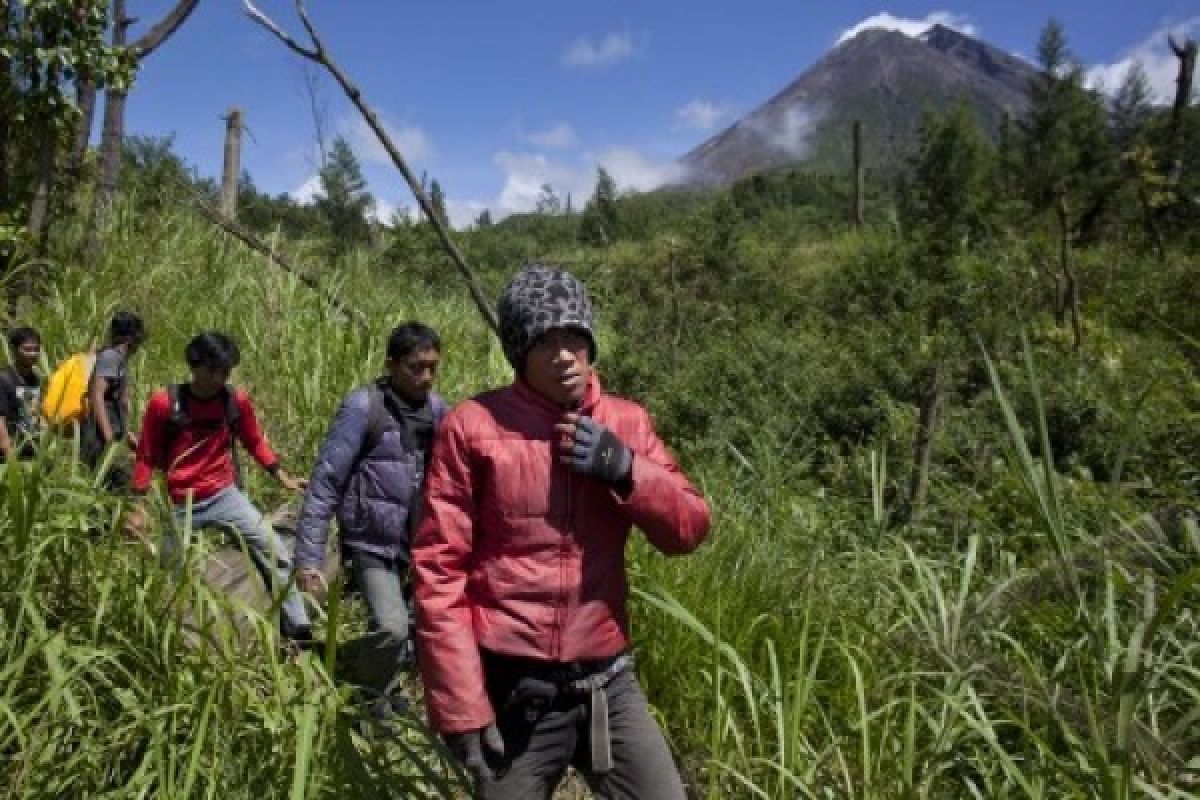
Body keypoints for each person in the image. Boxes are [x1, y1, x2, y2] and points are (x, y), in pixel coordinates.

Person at [412, 264, 711, 799]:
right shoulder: (473, 427)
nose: (565, 355)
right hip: (514, 690)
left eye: (575, 337)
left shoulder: (626, 423)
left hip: (607, 683)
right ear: (518, 352)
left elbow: (688, 529)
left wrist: (627, 470)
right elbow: (439, 569)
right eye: (545, 341)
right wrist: (460, 703)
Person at [293, 322, 447, 711]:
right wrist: (309, 559)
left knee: (410, 630)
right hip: (371, 542)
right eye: (416, 367)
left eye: (432, 367)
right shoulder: (364, 408)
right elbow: (326, 482)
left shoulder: (438, 411)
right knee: (392, 627)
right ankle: (353, 687)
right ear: (391, 365)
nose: (426, 377)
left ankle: (382, 693)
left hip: (418, 542)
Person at [125, 331, 312, 643]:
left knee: (274, 549)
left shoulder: (234, 401)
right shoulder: (165, 404)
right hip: (179, 502)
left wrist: (281, 475)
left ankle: (299, 629)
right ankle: (176, 638)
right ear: (194, 365)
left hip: (224, 494)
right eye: (212, 370)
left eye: (225, 372)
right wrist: (137, 504)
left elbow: (254, 441)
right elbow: (146, 455)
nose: (219, 379)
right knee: (169, 569)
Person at [82, 311, 146, 485]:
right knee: (122, 483)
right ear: (132, 338)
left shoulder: (119, 358)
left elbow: (117, 401)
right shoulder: (110, 357)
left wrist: (126, 433)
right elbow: (97, 395)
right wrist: (109, 439)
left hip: (113, 434)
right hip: (100, 438)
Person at [0, 326, 44, 461]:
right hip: (8, 454)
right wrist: (8, 452)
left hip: (31, 450)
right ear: (13, 350)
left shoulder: (36, 379)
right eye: (27, 349)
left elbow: (34, 414)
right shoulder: (4, 379)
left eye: (36, 349)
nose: (33, 354)